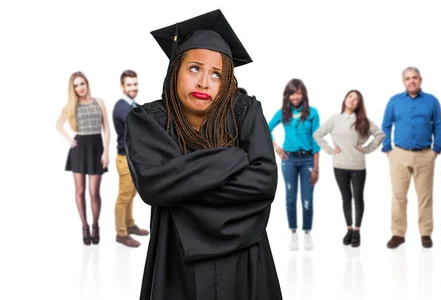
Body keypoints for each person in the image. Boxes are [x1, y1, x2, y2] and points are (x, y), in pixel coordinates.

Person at [124, 9, 282, 299]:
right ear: (176, 70)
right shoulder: (149, 120)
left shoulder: (245, 111)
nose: (204, 83)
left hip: (245, 259)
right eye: (195, 68)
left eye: (217, 74)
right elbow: (154, 185)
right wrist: (233, 158)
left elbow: (264, 182)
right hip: (176, 259)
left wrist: (182, 185)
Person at [381, 66, 441, 249]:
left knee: (425, 196)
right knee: (398, 196)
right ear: (403, 81)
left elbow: (438, 126)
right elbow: (386, 125)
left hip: (425, 155)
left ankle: (425, 233)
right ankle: (398, 234)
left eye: (414, 77)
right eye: (408, 78)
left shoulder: (432, 101)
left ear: (421, 79)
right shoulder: (394, 101)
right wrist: (388, 149)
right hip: (399, 154)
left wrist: (436, 150)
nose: (411, 81)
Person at [313, 90, 384, 247]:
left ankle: (357, 230)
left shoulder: (363, 120)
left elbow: (379, 134)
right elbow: (318, 134)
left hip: (358, 165)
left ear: (359, 104)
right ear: (345, 99)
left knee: (358, 197)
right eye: (350, 97)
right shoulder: (335, 119)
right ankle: (349, 229)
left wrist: (366, 149)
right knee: (346, 198)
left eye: (356, 99)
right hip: (340, 165)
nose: (352, 100)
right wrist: (331, 150)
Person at [56, 71, 110, 245]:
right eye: (76, 85)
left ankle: (95, 225)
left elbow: (106, 128)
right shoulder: (71, 106)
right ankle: (84, 226)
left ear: (87, 83)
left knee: (94, 192)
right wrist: (69, 139)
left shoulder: (99, 102)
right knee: (80, 191)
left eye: (82, 84)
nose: (80, 88)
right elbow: (58, 125)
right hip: (79, 149)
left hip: (96, 147)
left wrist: (106, 152)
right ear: (73, 88)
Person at [268, 78, 321, 251]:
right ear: (287, 96)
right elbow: (266, 128)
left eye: (298, 92)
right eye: (292, 93)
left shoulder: (312, 113)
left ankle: (307, 233)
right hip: (289, 159)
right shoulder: (283, 113)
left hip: (307, 160)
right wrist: (276, 147)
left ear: (303, 94)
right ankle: (293, 233)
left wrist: (316, 168)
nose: (295, 96)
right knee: (290, 198)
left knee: (307, 199)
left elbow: (316, 141)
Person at [112, 70, 149, 248]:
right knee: (123, 196)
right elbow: (140, 126)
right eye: (129, 85)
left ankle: (130, 224)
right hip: (124, 158)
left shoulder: (133, 105)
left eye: (135, 84)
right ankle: (121, 233)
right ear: (122, 87)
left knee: (132, 194)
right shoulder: (122, 107)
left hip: (132, 157)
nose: (133, 88)